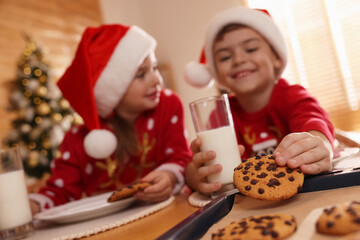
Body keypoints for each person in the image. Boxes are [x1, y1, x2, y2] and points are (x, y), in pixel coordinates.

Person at [29, 24, 192, 214]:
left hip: (166, 212)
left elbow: (180, 157)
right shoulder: (77, 140)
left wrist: (169, 176)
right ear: (112, 91)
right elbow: (60, 192)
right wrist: (31, 207)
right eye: (141, 74)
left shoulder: (168, 105)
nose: (156, 79)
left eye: (154, 68)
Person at [184, 6, 334, 195]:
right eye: (225, 57)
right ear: (217, 76)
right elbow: (195, 166)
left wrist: (319, 144)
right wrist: (196, 176)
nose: (238, 59)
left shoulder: (291, 96)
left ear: (276, 57)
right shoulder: (221, 114)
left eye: (251, 48)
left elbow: (315, 122)